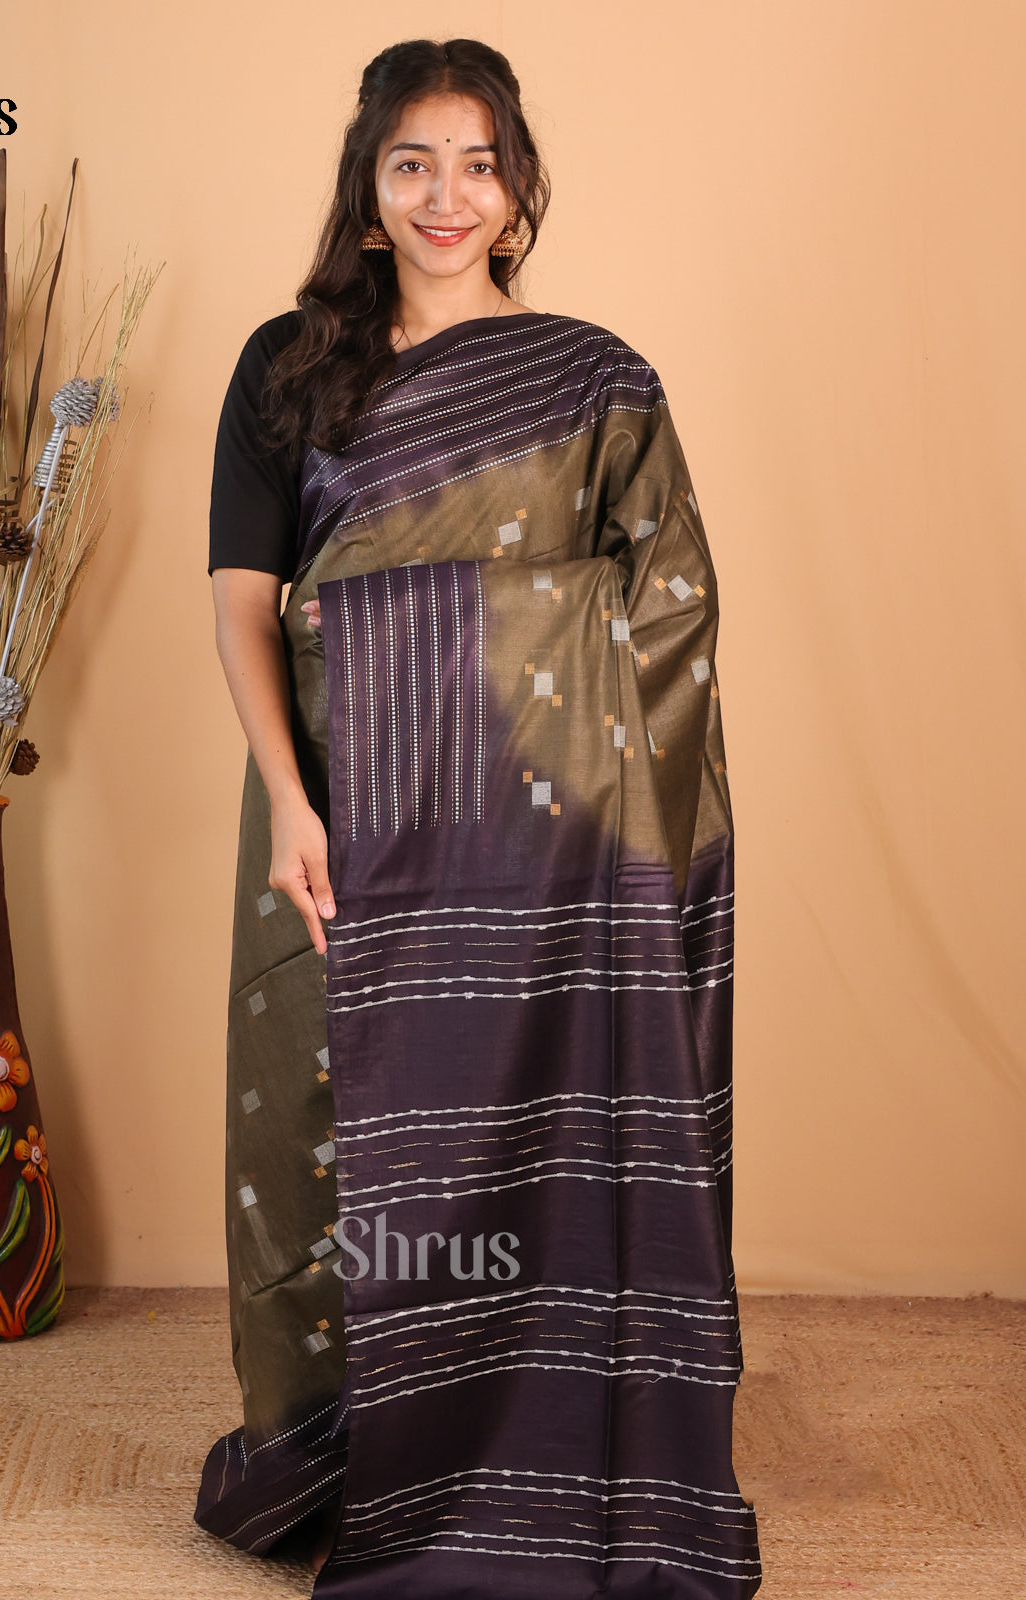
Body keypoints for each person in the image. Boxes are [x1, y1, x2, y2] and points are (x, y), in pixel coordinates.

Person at [195, 36, 762, 1599]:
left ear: (516, 191)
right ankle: (349, 1441)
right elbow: (245, 602)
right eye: (412, 165)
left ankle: (536, 1447)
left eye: (478, 164)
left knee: (527, 1116)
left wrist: (469, 644)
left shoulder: (598, 381)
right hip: (334, 805)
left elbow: (670, 612)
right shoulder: (288, 364)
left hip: (544, 838)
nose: (447, 197)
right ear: (368, 189)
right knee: (321, 1126)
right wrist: (292, 802)